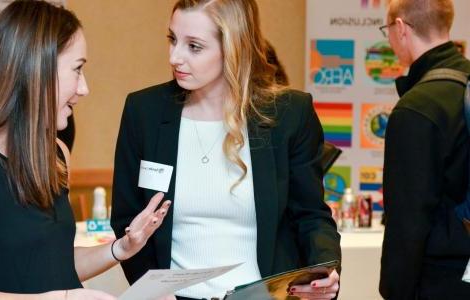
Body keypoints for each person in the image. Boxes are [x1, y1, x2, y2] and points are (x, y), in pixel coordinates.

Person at [0, 1, 170, 298]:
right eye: (77, 70)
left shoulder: (56, 154)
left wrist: (121, 248)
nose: (84, 88)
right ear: (36, 70)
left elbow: (53, 265)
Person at [110, 0, 341, 299]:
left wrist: (324, 271)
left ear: (234, 47)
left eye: (194, 46)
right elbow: (127, 220)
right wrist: (152, 292)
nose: (175, 56)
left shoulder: (288, 114)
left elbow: (311, 215)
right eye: (172, 39)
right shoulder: (145, 112)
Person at [379, 0, 470, 298]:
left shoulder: (417, 108)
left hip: (439, 280)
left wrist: (394, 291)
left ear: (401, 28)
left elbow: (408, 222)